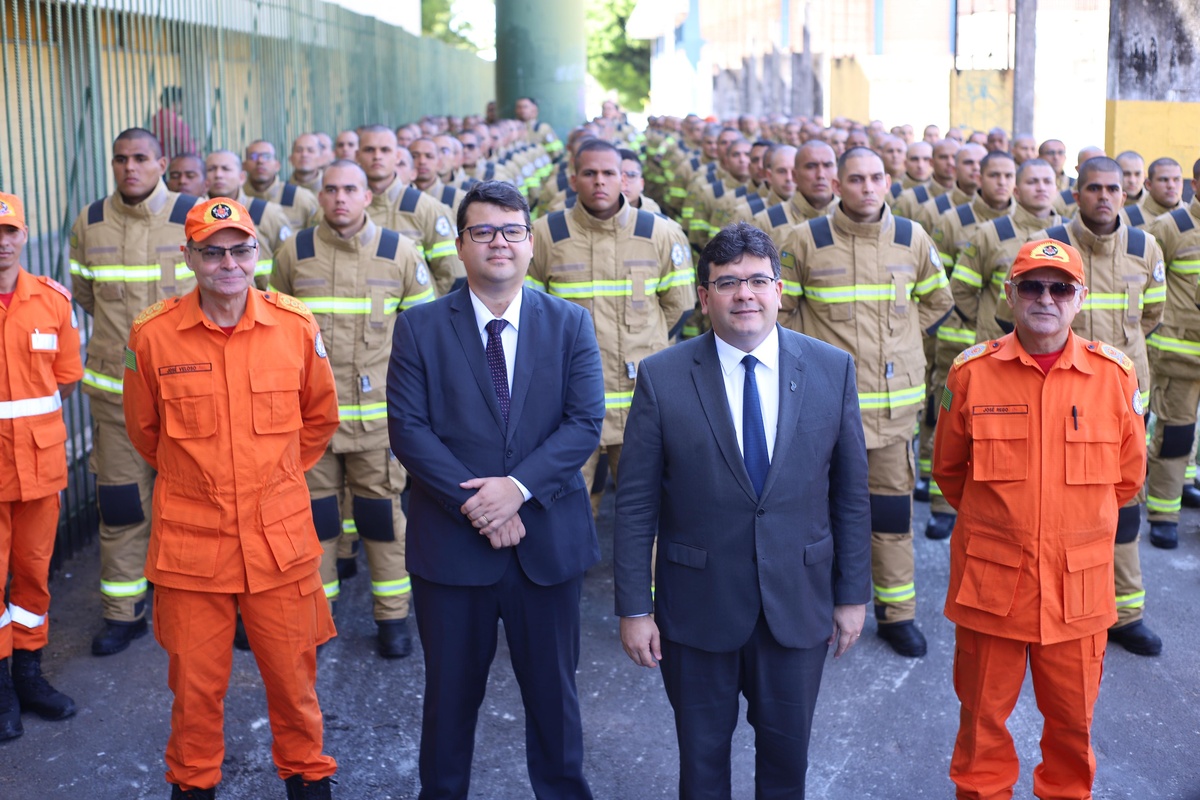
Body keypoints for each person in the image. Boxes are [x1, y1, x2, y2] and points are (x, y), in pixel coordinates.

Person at [614, 223, 871, 799]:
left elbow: (851, 495)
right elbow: (635, 504)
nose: (744, 295)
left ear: (781, 290)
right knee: (701, 762)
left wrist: (853, 596)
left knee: (787, 761)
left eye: (758, 280)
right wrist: (634, 609)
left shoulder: (833, 369)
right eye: (727, 283)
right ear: (703, 297)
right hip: (696, 608)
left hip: (797, 606)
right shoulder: (663, 375)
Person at [387, 180, 604, 799]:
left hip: (547, 546)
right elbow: (410, 430)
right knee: (449, 702)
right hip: (453, 551)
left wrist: (517, 489)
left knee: (555, 702)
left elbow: (584, 422)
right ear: (460, 245)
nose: (498, 243)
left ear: (530, 244)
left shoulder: (570, 323)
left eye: (510, 231)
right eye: (482, 231)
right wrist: (481, 504)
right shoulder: (421, 327)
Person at [123, 197, 340, 799]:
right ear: (188, 256)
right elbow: (145, 433)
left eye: (239, 249)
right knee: (195, 689)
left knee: (294, 684)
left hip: (279, 543)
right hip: (193, 549)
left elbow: (319, 418)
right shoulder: (153, 335)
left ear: (256, 253)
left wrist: (271, 482)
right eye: (212, 252)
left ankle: (307, 779)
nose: (228, 263)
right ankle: (193, 786)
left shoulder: (294, 327)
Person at [933, 239, 1145, 800]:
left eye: (1059, 287)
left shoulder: (1114, 376)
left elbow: (1127, 478)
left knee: (1072, 734)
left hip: (1077, 590)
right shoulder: (971, 374)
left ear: (1080, 297)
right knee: (981, 731)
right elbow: (950, 472)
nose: (1044, 298)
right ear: (1010, 294)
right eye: (1031, 285)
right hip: (992, 585)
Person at [779, 147, 953, 658]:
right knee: (815, 518)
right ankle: (813, 612)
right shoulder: (804, 240)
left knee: (891, 518)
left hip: (891, 417)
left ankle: (896, 614)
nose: (868, 187)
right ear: (836, 183)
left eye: (877, 177)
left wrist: (898, 338)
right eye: (856, 179)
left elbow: (938, 299)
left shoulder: (911, 237)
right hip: (823, 412)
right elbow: (780, 312)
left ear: (888, 181)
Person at [271, 160, 435, 657]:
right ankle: (318, 618)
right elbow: (273, 334)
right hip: (310, 421)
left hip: (378, 422)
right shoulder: (293, 253)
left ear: (368, 197)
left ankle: (392, 620)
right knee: (315, 522)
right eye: (331, 190)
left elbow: (425, 334)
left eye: (350, 189)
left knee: (382, 520)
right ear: (319, 197)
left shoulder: (399, 251)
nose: (340, 198)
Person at [69, 128, 199, 656]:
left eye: (141, 158)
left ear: (161, 162)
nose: (129, 167)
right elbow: (85, 294)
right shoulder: (90, 221)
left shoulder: (194, 213)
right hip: (116, 396)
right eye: (120, 158)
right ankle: (123, 611)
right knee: (122, 505)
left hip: (190, 393)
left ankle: (200, 603)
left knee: (198, 504)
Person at [527, 139, 694, 518]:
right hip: (567, 405)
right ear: (573, 179)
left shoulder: (660, 233)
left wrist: (644, 342)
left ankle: (649, 581)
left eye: (608, 173)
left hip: (640, 400)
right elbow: (530, 313)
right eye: (589, 173)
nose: (599, 182)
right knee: (564, 506)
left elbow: (679, 306)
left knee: (649, 511)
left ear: (625, 178)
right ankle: (568, 577)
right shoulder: (545, 235)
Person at [0, 193, 83, 741]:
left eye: (9, 231)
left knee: (33, 576)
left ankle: (29, 676)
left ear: (24, 235)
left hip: (39, 467)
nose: (1, 242)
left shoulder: (52, 301)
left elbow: (68, 375)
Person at [243, 140, 321, 231]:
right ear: (244, 166)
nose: (260, 161)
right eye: (253, 157)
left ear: (277, 165)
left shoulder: (300, 197)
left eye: (267, 156)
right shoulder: (237, 200)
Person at [150, 86, 197, 160]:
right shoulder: (173, 120)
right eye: (182, 103)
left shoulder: (154, 118)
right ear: (174, 103)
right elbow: (188, 149)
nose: (184, 107)